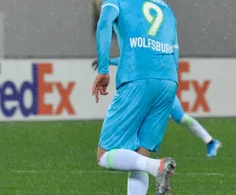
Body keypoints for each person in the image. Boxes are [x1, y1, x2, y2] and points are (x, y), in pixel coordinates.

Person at [92, 0, 179, 195]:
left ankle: (158, 168)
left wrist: (104, 69)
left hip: (137, 78)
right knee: (138, 157)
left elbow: (104, 27)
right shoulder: (167, 10)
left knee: (105, 156)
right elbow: (175, 51)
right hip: (168, 81)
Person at [92, 57, 223, 157]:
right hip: (154, 89)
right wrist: (108, 62)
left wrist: (108, 61)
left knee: (180, 117)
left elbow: (129, 58)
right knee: (178, 118)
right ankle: (210, 141)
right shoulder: (152, 44)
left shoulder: (148, 47)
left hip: (157, 89)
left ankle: (210, 141)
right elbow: (129, 58)